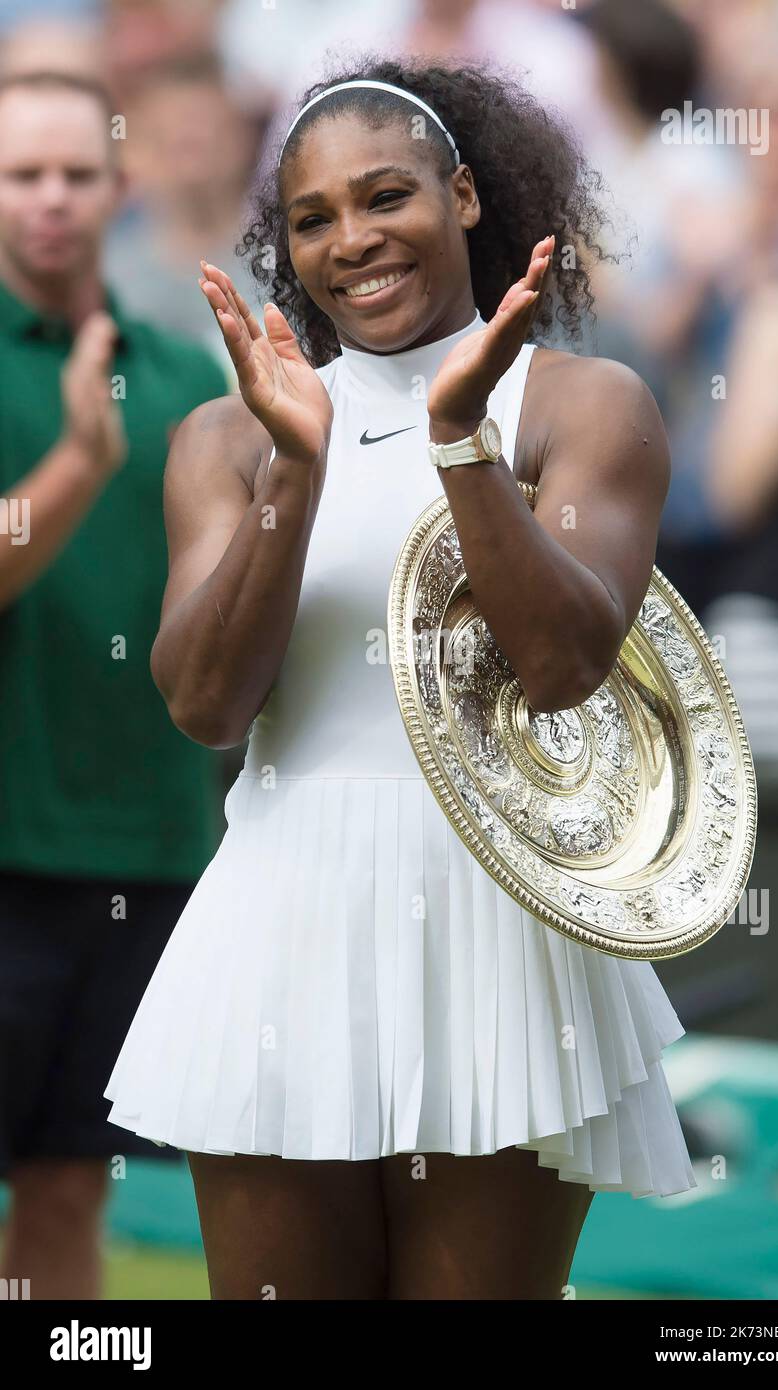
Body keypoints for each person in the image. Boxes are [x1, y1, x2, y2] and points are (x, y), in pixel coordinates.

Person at [104, 56, 698, 1302]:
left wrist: (460, 443)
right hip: (280, 924)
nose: (353, 240)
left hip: (501, 934)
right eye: (314, 218)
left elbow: (562, 669)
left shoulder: (586, 406)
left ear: (467, 196)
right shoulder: (231, 435)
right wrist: (296, 476)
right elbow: (206, 703)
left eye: (387, 198)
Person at [0, 70, 228, 1300]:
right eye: (22, 173)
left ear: (119, 188)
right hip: (7, 844)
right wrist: (84, 458)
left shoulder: (188, 377)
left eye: (76, 174)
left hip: (147, 852)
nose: (51, 200)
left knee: (73, 1184)